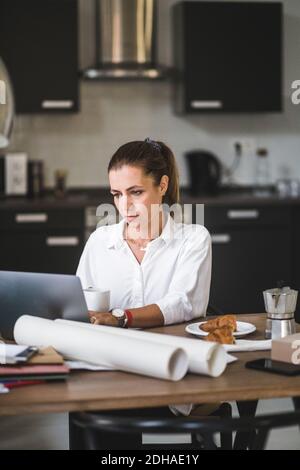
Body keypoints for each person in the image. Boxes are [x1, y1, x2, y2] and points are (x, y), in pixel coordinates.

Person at [76, 138, 212, 330]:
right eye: (117, 194)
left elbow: (182, 304)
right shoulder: (99, 241)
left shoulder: (193, 239)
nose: (125, 205)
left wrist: (120, 318)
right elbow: (80, 306)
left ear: (163, 185)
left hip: (172, 352)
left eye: (136, 192)